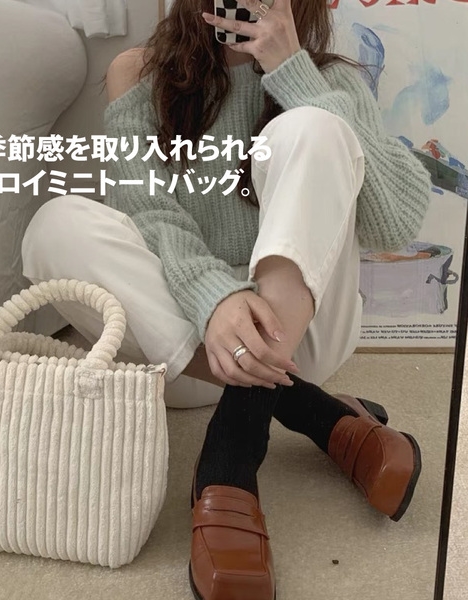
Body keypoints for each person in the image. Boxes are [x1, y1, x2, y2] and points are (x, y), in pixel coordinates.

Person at [22, 0, 432, 597]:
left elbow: (394, 225)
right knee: (55, 226)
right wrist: (214, 299)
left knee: (313, 127)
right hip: (184, 351)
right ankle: (316, 413)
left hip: (305, 335)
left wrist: (293, 72)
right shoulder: (138, 72)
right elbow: (146, 209)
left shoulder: (329, 77)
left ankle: (229, 457)